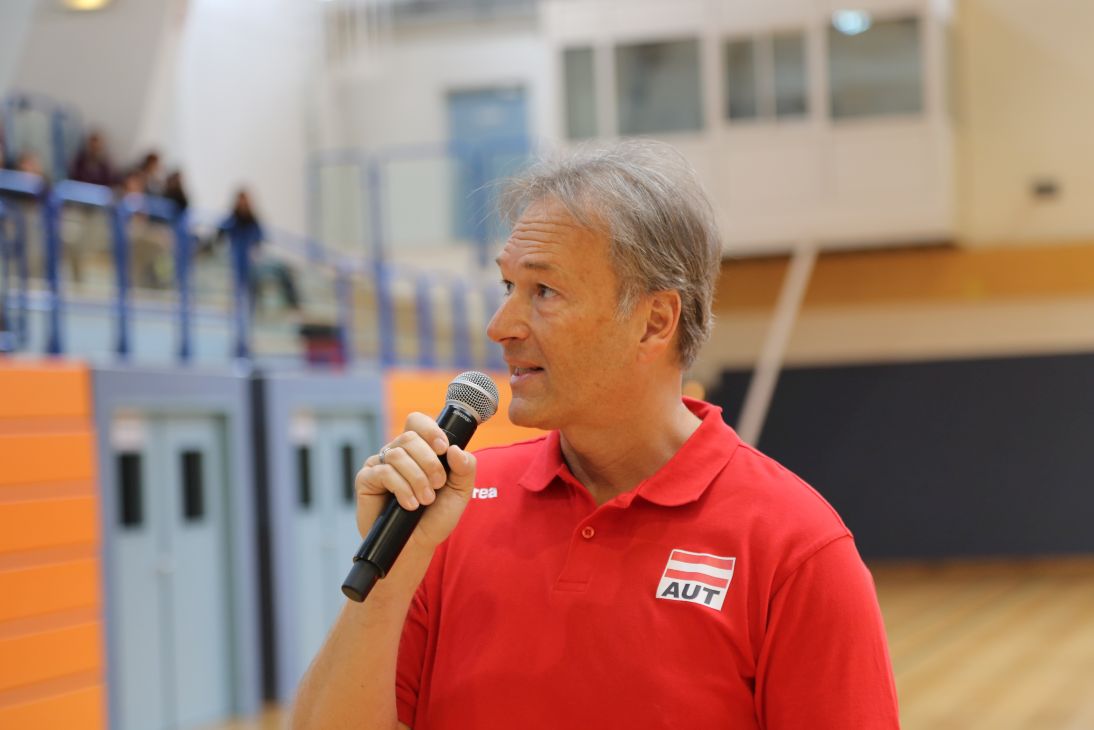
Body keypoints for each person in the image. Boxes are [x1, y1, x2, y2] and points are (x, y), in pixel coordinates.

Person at [291, 141, 899, 729]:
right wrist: (394, 573)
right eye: (508, 288)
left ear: (654, 321)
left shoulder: (797, 550)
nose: (500, 326)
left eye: (544, 291)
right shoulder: (448, 514)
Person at [219, 188, 300, 311]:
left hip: (252, 261)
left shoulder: (254, 222)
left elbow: (259, 241)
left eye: (245, 201)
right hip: (239, 262)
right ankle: (247, 307)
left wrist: (255, 254)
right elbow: (220, 234)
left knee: (280, 269)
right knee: (246, 280)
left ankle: (293, 304)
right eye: (241, 201)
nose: (243, 204)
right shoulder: (231, 221)